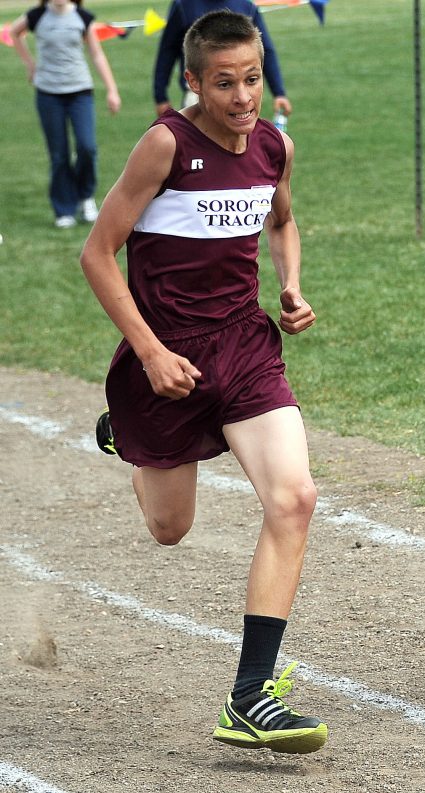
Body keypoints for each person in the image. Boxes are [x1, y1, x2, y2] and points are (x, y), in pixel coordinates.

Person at [80, 10, 324, 753]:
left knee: (295, 497)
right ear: (192, 82)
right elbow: (97, 253)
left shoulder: (272, 146)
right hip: (166, 359)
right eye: (225, 83)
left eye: (252, 78)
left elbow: (281, 220)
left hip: (245, 348)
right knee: (169, 527)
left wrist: (289, 283)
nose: (244, 97)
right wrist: (149, 353)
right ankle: (128, 431)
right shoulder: (165, 145)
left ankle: (250, 696)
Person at [9, 0, 121, 228]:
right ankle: (64, 209)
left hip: (80, 92)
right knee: (59, 154)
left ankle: (85, 197)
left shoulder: (83, 17)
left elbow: (97, 55)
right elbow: (14, 32)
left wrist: (112, 90)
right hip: (48, 94)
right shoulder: (37, 16)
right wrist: (30, 64)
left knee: (87, 147)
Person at [152, 0, 291, 120]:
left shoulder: (246, 5)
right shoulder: (184, 5)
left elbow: (265, 50)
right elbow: (167, 51)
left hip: (241, 95)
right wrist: (161, 96)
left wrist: (279, 93)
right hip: (197, 99)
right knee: (200, 147)